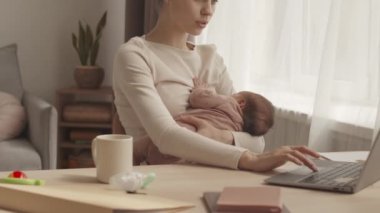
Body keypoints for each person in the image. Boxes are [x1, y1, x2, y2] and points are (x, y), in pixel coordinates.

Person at [113, 0, 321, 172]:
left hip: (213, 176)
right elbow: (166, 137)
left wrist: (218, 135)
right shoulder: (135, 55)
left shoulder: (211, 58)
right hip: (154, 182)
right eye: (200, 0)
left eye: (214, 2)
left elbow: (257, 141)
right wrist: (247, 158)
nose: (208, 11)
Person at [134, 77, 275, 165]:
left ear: (241, 102)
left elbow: (197, 99)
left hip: (185, 130)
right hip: (192, 154)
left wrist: (204, 90)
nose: (230, 95)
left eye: (235, 94)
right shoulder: (237, 128)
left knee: (140, 146)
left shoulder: (227, 101)